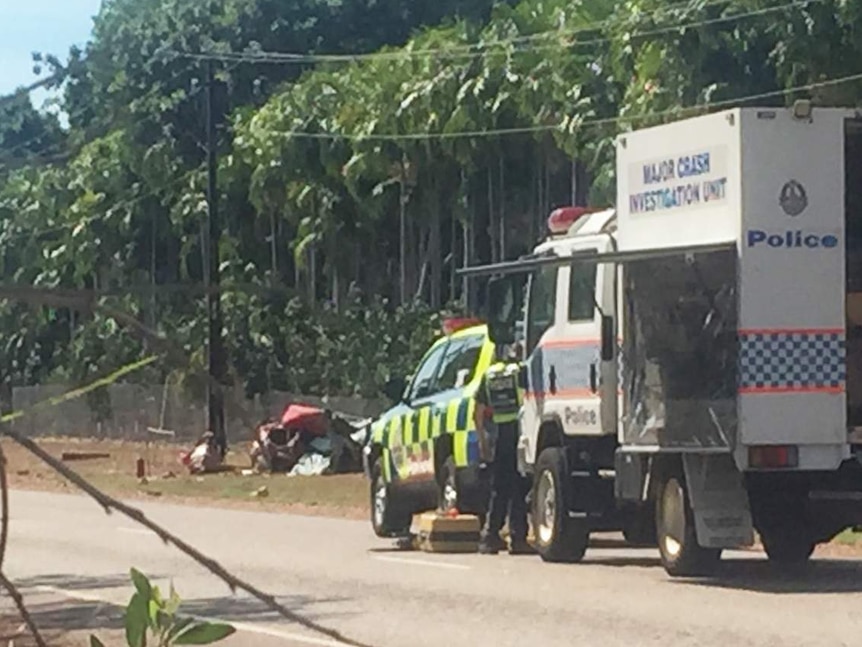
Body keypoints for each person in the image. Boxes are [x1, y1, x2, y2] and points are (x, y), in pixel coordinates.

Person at [474, 342, 533, 555]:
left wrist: (482, 441)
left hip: (499, 436)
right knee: (518, 485)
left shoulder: (489, 375)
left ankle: (490, 536)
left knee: (499, 487)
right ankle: (517, 538)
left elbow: (478, 411)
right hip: (518, 433)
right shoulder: (520, 372)